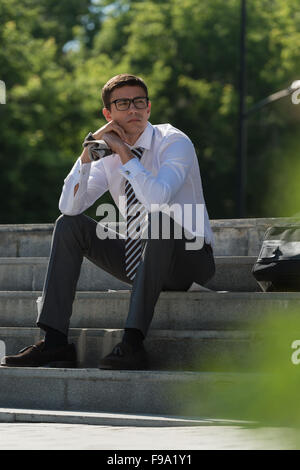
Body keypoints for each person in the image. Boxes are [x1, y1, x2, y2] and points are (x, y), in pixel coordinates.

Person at [1, 73, 215, 370]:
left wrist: (125, 153)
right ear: (108, 114)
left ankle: (132, 343)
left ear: (149, 108)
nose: (133, 110)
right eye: (123, 103)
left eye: (139, 102)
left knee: (159, 220)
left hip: (190, 259)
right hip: (140, 260)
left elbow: (157, 198)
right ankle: (54, 343)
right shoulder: (107, 153)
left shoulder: (175, 142)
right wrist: (86, 156)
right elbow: (69, 206)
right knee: (68, 225)